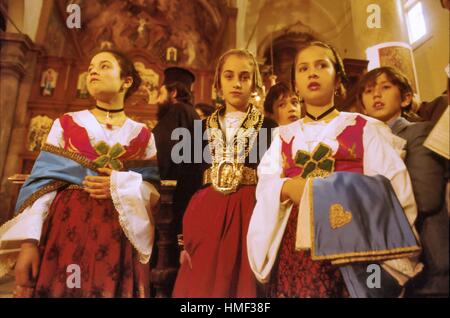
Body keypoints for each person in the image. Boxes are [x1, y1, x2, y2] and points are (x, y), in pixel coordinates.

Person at [247, 41, 423, 298]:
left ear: (338, 78)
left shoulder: (364, 127)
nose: (312, 73)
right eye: (303, 68)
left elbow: (395, 186)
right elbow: (266, 184)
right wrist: (285, 186)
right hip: (295, 249)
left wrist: (335, 190)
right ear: (296, 83)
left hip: (353, 246)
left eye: (322, 65)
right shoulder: (283, 137)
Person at [0, 49, 160, 297]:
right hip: (65, 230)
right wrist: (29, 243)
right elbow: (42, 186)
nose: (93, 71)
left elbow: (152, 191)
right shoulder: (66, 123)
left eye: (105, 66)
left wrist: (119, 185)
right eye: (91, 67)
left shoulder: (143, 134)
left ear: (126, 81)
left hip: (118, 235)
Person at [172, 49, 277, 298]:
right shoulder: (198, 129)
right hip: (204, 215)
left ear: (254, 83)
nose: (237, 84)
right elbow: (186, 184)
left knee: (244, 287)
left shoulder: (270, 128)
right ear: (218, 82)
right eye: (229, 76)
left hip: (250, 215)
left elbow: (274, 183)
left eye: (244, 76)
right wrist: (182, 240)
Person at [359, 66, 449, 297]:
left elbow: (425, 197)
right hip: (386, 258)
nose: (376, 95)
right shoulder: (363, 145)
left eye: (385, 88)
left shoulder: (418, 133)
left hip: (428, 262)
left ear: (406, 98)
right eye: (369, 91)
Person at [152, 67, 202, 238]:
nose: (157, 101)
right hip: (191, 195)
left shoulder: (177, 111)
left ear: (172, 92)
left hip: (174, 198)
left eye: (160, 94)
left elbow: (162, 157)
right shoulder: (192, 114)